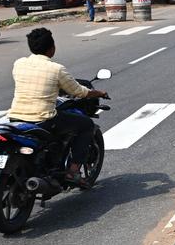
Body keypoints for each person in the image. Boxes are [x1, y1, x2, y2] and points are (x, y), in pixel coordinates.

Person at [8, 28, 107, 185]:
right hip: (42, 119)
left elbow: (35, 82)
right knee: (86, 124)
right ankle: (73, 172)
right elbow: (79, 92)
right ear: (52, 48)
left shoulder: (19, 64)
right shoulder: (56, 69)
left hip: (15, 117)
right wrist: (99, 93)